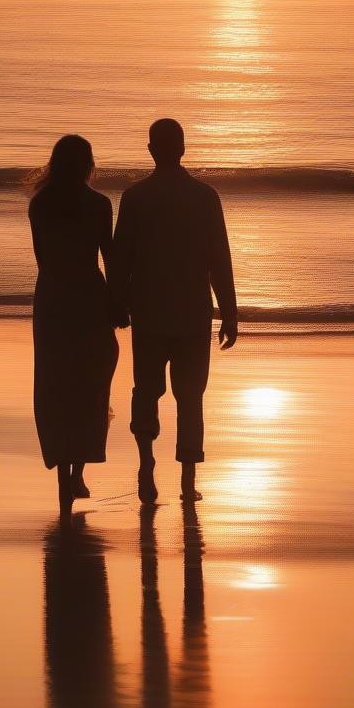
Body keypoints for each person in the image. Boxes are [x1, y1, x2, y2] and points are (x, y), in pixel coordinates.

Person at [109, 119, 238, 503]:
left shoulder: (135, 197)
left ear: (151, 150)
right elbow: (220, 260)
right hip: (192, 312)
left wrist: (116, 304)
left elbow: (120, 260)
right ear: (182, 149)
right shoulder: (204, 196)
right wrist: (229, 312)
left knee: (146, 390)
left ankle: (147, 462)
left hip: (148, 310)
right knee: (190, 395)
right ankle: (186, 477)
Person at [29, 134, 121, 514]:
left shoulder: (40, 205)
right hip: (88, 294)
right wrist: (120, 305)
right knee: (91, 382)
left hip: (52, 296)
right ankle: (77, 471)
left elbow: (42, 259)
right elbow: (110, 259)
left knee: (55, 383)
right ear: (88, 164)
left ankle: (63, 472)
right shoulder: (99, 205)